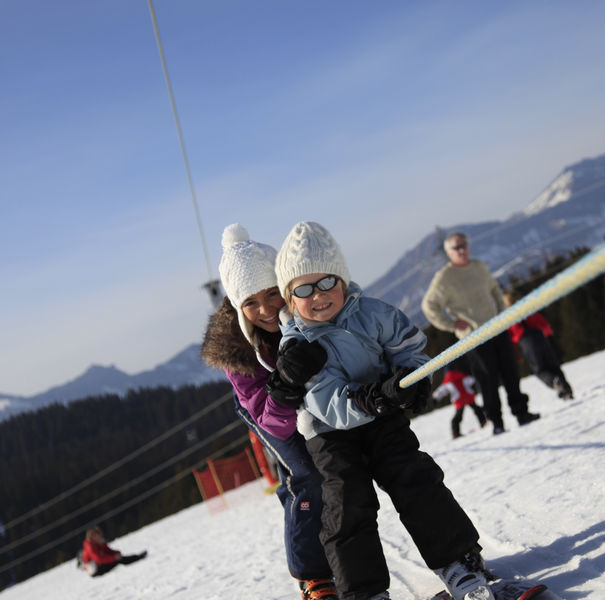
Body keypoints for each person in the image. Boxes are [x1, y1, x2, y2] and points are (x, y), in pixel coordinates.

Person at [268, 221, 496, 600]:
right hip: (330, 433)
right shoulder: (297, 345)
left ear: (342, 280)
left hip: (383, 416)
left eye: (327, 282)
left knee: (414, 477)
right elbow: (327, 403)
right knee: (347, 502)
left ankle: (459, 562)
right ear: (290, 299)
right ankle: (364, 592)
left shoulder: (374, 313)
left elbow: (410, 349)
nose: (318, 295)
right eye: (304, 289)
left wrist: (413, 378)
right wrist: (377, 398)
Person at [200, 224, 337, 600]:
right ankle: (313, 576)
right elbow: (271, 422)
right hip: (267, 409)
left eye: (272, 294)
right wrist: (287, 385)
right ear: (236, 305)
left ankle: (346, 556)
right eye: (250, 302)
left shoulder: (307, 308)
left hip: (309, 399)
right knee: (306, 474)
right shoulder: (237, 352)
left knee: (340, 466)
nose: (265, 310)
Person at [421, 232, 539, 435]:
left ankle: (522, 413)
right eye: (456, 248)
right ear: (448, 253)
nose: (462, 250)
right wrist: (451, 324)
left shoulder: (479, 266)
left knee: (511, 373)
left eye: (464, 245)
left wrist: (502, 310)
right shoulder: (444, 278)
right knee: (487, 380)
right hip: (474, 338)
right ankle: (497, 423)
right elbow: (429, 306)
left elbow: (495, 289)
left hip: (498, 328)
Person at [502, 291, 574, 400]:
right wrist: (548, 334)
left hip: (526, 342)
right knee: (554, 366)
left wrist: (516, 355)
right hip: (540, 337)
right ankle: (566, 391)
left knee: (540, 370)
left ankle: (554, 382)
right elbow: (543, 322)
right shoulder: (527, 309)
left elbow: (510, 337)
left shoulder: (507, 317)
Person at [432, 357, 487, 438]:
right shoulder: (462, 376)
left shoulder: (447, 382)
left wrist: (435, 398)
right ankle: (483, 421)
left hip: (458, 399)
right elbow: (471, 379)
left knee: (458, 416)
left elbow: (441, 391)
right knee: (477, 409)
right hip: (468, 396)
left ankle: (455, 432)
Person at [78, 526, 147, 576]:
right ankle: (138, 557)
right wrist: (114, 558)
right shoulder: (89, 547)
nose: (100, 536)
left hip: (100, 565)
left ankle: (137, 557)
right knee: (119, 560)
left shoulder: (99, 542)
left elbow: (107, 551)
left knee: (118, 558)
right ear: (92, 536)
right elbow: (99, 559)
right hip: (96, 570)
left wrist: (116, 553)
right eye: (97, 534)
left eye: (99, 534)